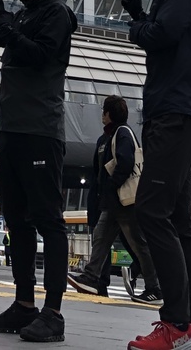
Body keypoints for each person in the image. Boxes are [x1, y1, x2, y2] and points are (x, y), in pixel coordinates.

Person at [0, 0, 77, 344]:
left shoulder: (57, 14)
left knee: (49, 222)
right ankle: (23, 305)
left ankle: (53, 312)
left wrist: (7, 27)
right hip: (14, 131)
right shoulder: (24, 13)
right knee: (17, 222)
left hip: (40, 131)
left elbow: (39, 55)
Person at [120, 0, 191, 350]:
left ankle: (175, 324)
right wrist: (143, 18)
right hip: (173, 114)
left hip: (174, 113)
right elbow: (162, 38)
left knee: (151, 213)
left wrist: (136, 26)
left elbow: (160, 37)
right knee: (178, 221)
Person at [68, 96, 160, 301]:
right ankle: (91, 277)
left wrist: (111, 185)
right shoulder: (113, 136)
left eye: (104, 111)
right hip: (116, 202)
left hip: (124, 201)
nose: (102, 115)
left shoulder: (122, 133)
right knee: (102, 238)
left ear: (109, 114)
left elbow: (125, 162)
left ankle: (155, 287)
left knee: (139, 245)